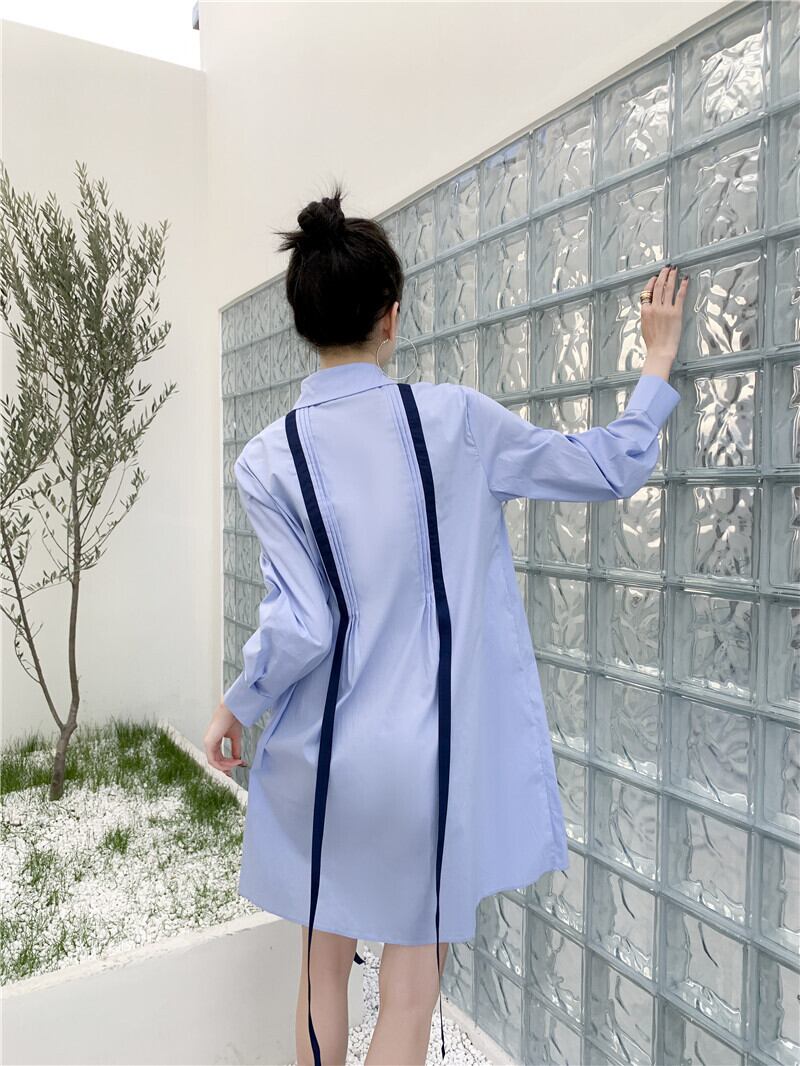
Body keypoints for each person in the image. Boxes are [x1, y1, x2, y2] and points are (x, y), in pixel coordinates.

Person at [205, 180, 690, 1066]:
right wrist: (655, 362)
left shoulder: (268, 457)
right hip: (425, 765)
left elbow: (300, 623)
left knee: (320, 967)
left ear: (303, 323)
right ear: (391, 317)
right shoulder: (455, 420)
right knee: (410, 990)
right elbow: (605, 467)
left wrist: (237, 703)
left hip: (322, 757)